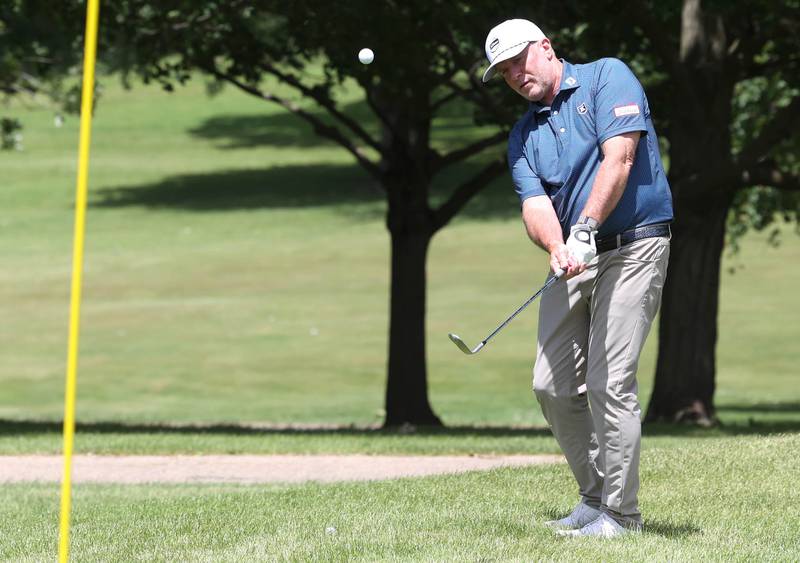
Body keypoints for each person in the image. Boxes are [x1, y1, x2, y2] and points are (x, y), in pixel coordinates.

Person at [482, 19, 673, 537]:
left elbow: (622, 156)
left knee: (610, 381)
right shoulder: (523, 134)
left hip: (635, 243)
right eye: (504, 72)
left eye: (520, 60)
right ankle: (594, 499)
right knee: (551, 384)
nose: (516, 75)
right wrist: (556, 244)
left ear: (546, 46)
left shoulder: (606, 77)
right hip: (574, 255)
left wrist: (585, 227)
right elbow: (536, 204)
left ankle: (621, 514)